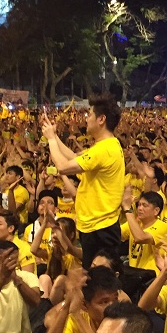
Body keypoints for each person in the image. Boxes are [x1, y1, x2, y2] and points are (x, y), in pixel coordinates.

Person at [43, 94, 125, 269]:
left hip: (101, 229)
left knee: (102, 284)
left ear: (101, 119)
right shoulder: (105, 146)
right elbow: (73, 158)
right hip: (95, 226)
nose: (86, 119)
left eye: (89, 114)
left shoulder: (104, 149)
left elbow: (64, 166)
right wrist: (55, 136)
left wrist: (50, 139)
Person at [120, 189, 167, 272]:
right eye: (139, 205)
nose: (139, 208)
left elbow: (140, 238)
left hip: (151, 276)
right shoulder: (136, 223)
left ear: (156, 211)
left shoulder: (162, 226)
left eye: (144, 205)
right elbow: (116, 234)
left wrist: (128, 209)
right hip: (134, 274)